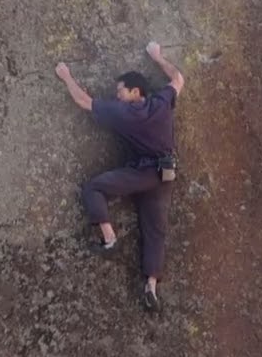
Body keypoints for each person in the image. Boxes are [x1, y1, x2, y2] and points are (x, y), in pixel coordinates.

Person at [53, 41, 184, 312]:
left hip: (145, 172)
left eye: (120, 92)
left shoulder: (126, 112)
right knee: (155, 230)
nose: (117, 97)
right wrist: (157, 57)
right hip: (166, 174)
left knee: (94, 188)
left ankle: (109, 237)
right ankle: (151, 285)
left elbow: (83, 101)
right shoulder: (161, 102)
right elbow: (178, 78)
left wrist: (66, 76)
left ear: (135, 92)